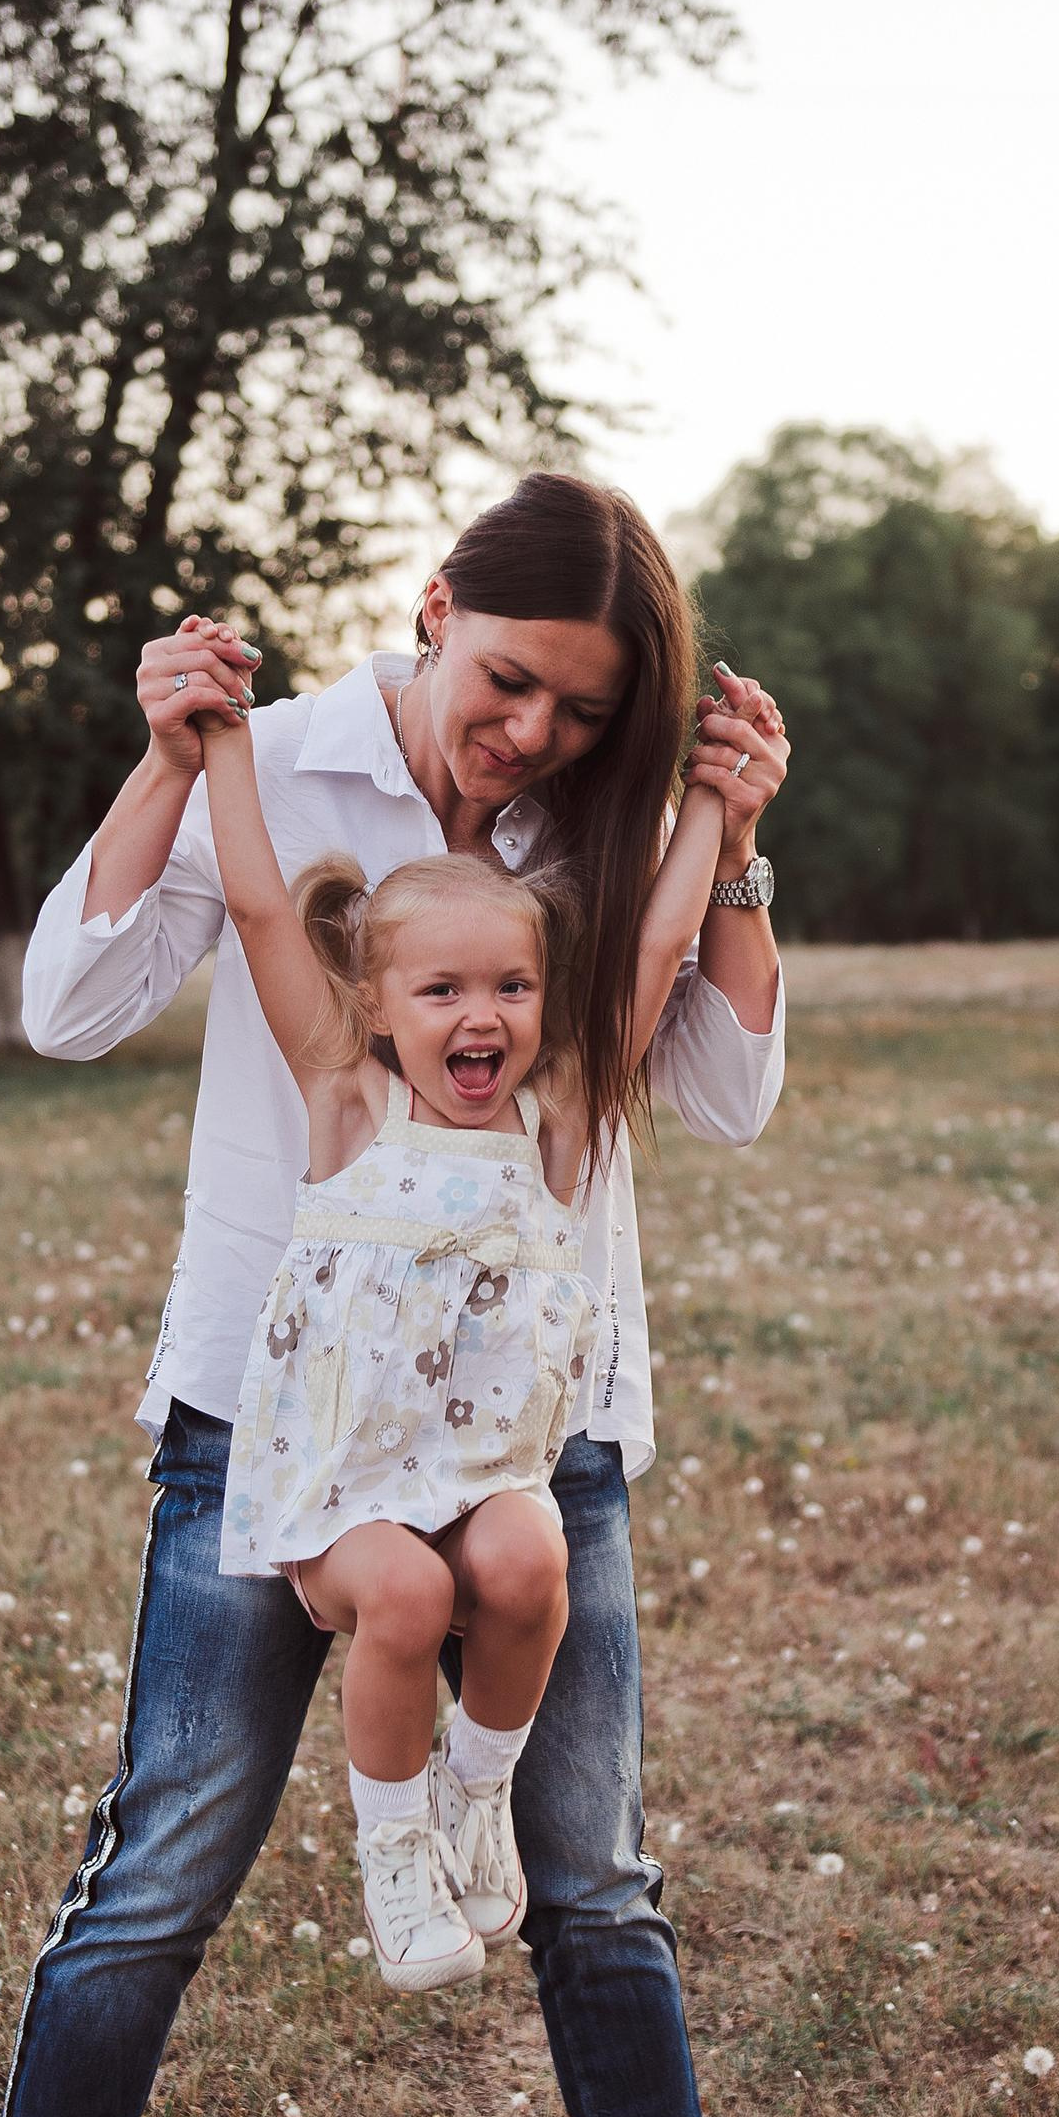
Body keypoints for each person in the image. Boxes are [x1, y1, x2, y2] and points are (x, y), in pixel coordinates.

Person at [0, 473, 807, 2117]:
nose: (531, 736)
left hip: (537, 1429)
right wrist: (171, 763)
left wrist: (734, 843)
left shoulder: (592, 846)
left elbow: (722, 1093)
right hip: (282, 1429)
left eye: (582, 715)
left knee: (592, 1880)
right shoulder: (282, 771)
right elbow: (66, 1008)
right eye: (509, 682)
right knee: (159, 1866)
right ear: (432, 611)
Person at [191, 658, 734, 1993]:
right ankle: (391, 1851)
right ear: (375, 1006)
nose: (479, 1014)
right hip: (346, 1489)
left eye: (508, 986)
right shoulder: (350, 1102)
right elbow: (261, 905)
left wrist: (717, 805)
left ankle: (472, 1794)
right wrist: (220, 747)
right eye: (439, 991)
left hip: (483, 1471)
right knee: (416, 1587)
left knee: (532, 1553)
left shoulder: (555, 1129)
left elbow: (659, 950)